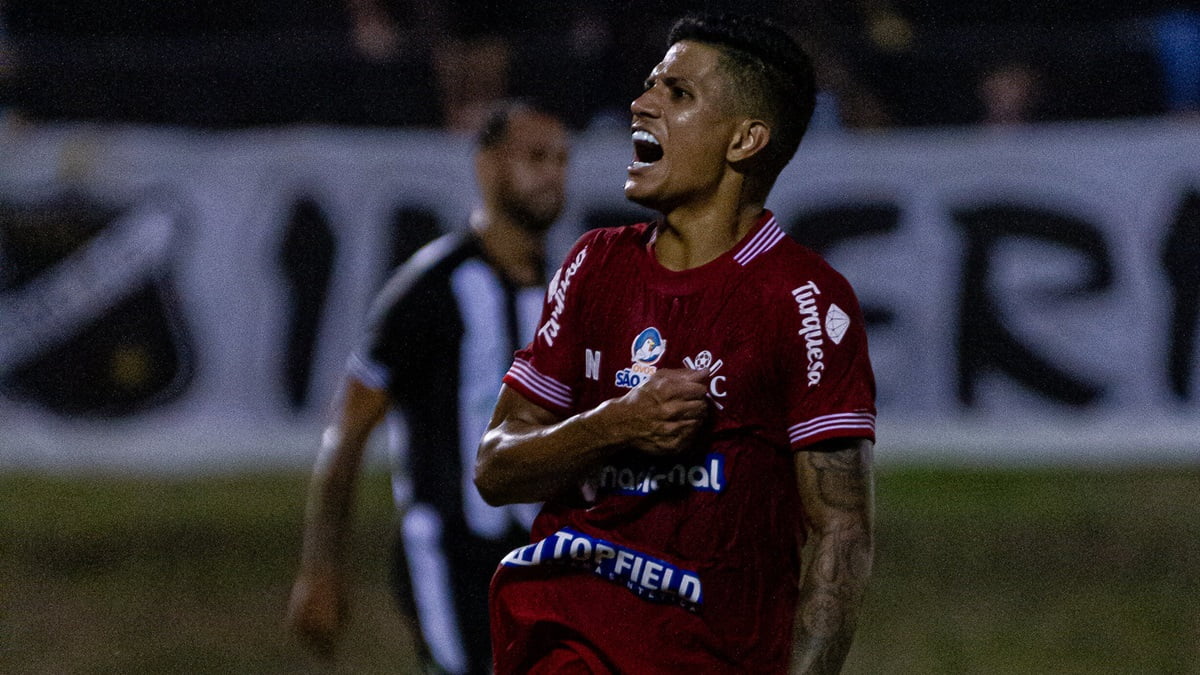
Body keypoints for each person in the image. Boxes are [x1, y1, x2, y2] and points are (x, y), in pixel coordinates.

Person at [474, 13, 876, 674]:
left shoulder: (804, 299)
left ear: (746, 139)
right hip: (561, 639)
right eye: (651, 84)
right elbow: (496, 467)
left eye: (678, 94)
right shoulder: (593, 264)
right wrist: (613, 424)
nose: (642, 103)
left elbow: (842, 528)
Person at [286, 100, 570, 675]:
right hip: (451, 556)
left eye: (562, 159)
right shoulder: (428, 289)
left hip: (551, 556)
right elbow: (348, 432)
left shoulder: (572, 289)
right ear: (488, 166)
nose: (553, 173)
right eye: (535, 156)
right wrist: (320, 568)